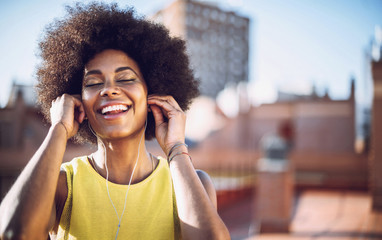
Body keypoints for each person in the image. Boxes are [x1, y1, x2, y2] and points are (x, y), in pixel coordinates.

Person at [0, 2, 230, 239]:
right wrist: (58, 129)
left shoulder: (192, 184)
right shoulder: (61, 185)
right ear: (78, 100)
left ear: (153, 94)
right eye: (93, 83)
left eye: (125, 78)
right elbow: (14, 232)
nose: (109, 90)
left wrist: (176, 149)